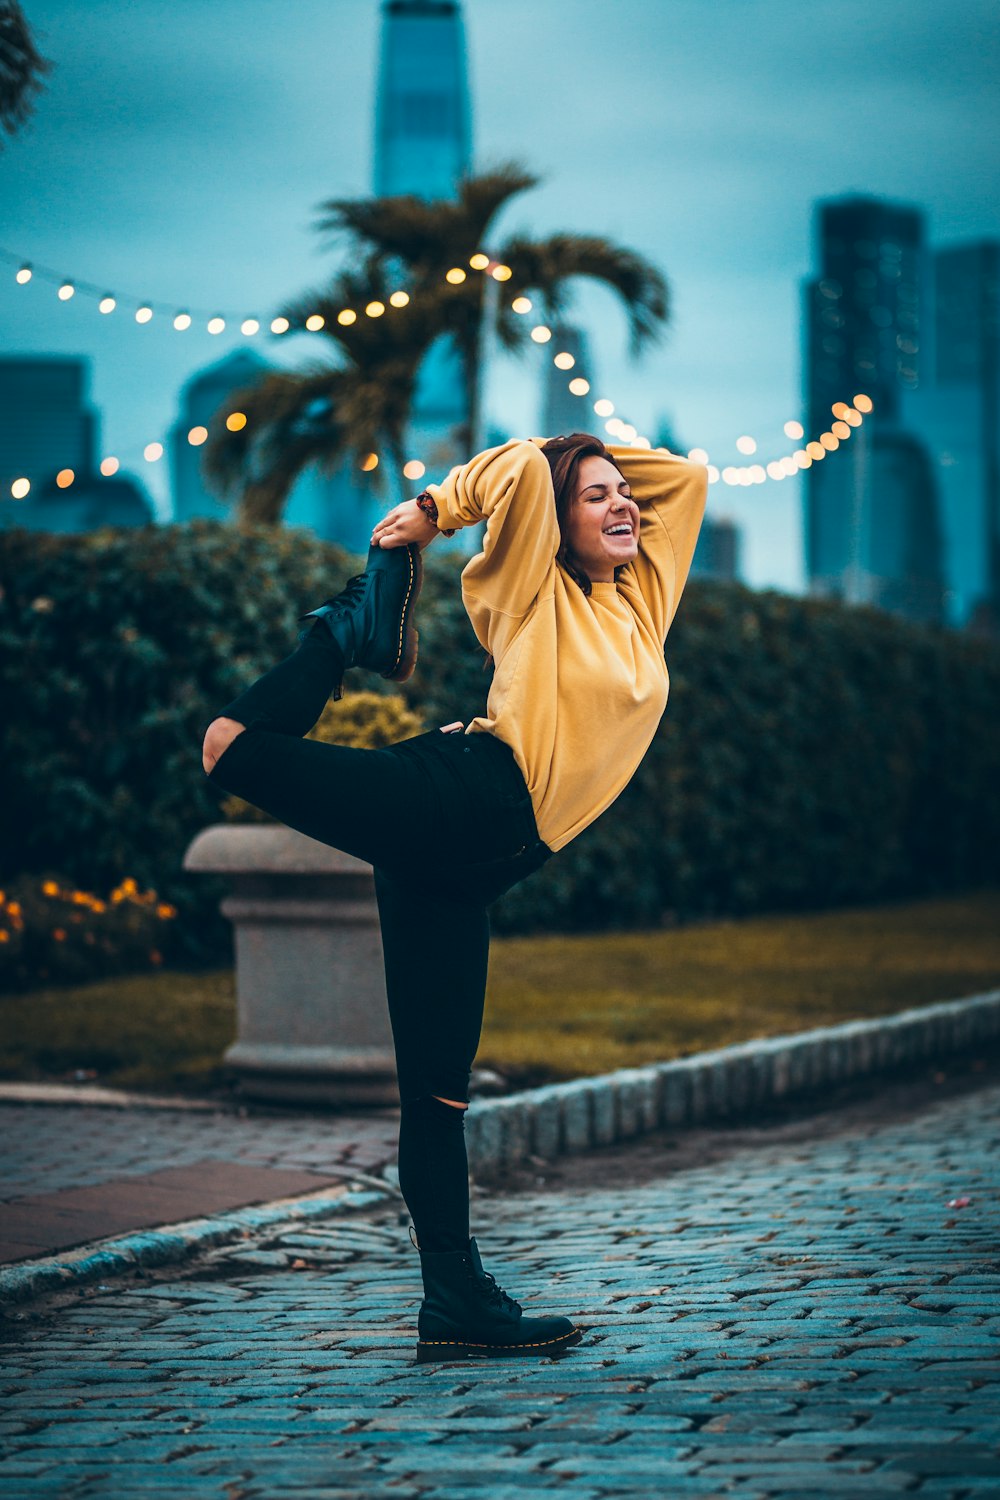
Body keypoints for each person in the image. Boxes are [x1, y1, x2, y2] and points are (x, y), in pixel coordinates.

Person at [201, 431, 707, 1362]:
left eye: (620, 494)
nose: (622, 505)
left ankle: (454, 1304)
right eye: (594, 498)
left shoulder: (645, 600)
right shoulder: (534, 589)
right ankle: (343, 631)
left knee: (437, 1096)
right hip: (468, 792)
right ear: (555, 526)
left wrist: (600, 466)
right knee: (232, 747)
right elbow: (518, 475)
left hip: (481, 861)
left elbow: (689, 476)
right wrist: (438, 512)